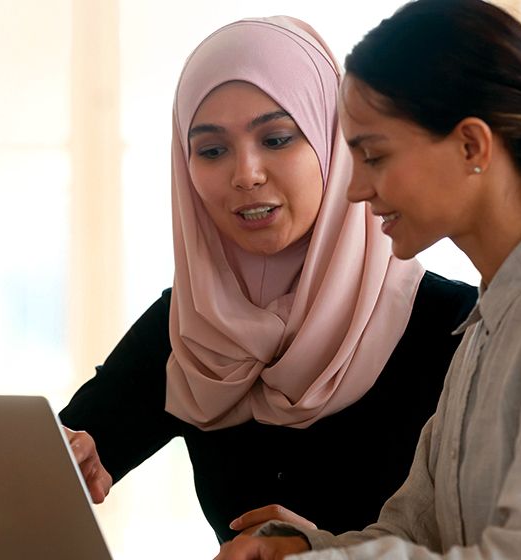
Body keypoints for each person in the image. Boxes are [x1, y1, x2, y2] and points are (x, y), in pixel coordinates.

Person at [215, 0, 521, 558]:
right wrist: (306, 549)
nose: (355, 189)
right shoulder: (484, 328)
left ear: (472, 145)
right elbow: (415, 533)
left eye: (374, 155)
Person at [57, 16, 476, 543]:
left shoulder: (458, 328)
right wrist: (68, 455)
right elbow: (71, 448)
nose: (245, 174)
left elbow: (501, 544)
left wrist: (326, 553)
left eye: (277, 138)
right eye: (211, 150)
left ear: (336, 143)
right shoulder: (191, 325)